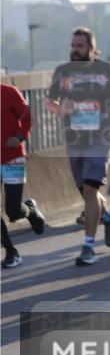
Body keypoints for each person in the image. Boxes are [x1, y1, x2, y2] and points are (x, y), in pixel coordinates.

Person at [45, 27, 110, 265]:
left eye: (80, 46)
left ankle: (88, 246)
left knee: (91, 191)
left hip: (100, 138)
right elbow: (49, 102)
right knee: (87, 193)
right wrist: (60, 108)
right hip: (74, 140)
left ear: (92, 48)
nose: (75, 50)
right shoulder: (62, 72)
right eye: (73, 46)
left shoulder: (106, 71)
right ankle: (109, 215)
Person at [1, 83, 46, 268]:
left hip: (13, 157)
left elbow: (28, 119)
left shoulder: (9, 92)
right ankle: (11, 252)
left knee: (12, 211)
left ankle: (29, 208)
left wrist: (19, 137)